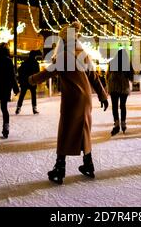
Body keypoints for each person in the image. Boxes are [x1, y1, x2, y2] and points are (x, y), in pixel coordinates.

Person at [28, 22, 108, 185]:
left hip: (73, 98)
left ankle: (59, 169)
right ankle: (88, 165)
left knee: (65, 129)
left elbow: (48, 72)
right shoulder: (83, 53)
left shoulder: (64, 55)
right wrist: (103, 95)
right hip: (86, 97)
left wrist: (31, 79)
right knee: (84, 129)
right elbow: (94, 77)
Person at [106, 49, 134, 136]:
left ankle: (116, 123)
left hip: (113, 85)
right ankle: (123, 123)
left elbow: (107, 74)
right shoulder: (127, 63)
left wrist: (108, 82)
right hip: (123, 86)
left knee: (114, 106)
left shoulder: (112, 62)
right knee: (122, 105)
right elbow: (131, 75)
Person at [16, 50, 40, 115]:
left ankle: (18, 107)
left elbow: (20, 70)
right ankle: (34, 108)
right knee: (33, 95)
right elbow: (38, 73)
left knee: (22, 95)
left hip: (25, 81)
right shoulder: (36, 63)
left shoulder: (25, 62)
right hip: (32, 80)